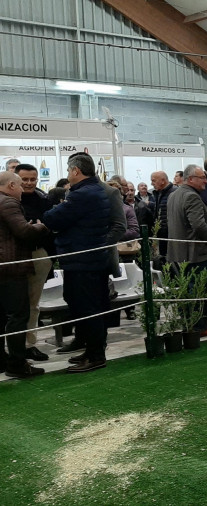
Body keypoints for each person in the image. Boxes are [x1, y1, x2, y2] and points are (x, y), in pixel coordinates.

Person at [42, 153, 112, 373]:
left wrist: (56, 209)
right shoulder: (95, 190)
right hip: (88, 259)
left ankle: (96, 356)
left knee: (88, 307)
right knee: (87, 305)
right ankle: (92, 351)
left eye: (68, 170)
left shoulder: (82, 194)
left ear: (75, 171)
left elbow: (52, 218)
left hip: (83, 260)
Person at [0, 171, 51, 378]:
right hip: (12, 267)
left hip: (4, 266)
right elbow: (23, 231)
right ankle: (17, 363)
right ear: (11, 186)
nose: (23, 188)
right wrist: (40, 226)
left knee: (3, 316)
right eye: (20, 185)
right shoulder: (9, 203)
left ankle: (5, 360)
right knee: (18, 316)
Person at [166, 164, 207, 332]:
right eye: (202, 178)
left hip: (178, 253)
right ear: (191, 179)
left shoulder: (174, 195)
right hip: (195, 254)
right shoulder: (191, 196)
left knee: (185, 291)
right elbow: (198, 225)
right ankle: (199, 327)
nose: (206, 181)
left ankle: (190, 325)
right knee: (197, 291)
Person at [14, 164, 54, 362]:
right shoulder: (9, 200)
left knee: (33, 304)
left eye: (33, 179)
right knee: (11, 307)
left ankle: (30, 345)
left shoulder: (43, 199)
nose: (29, 183)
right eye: (25, 179)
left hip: (39, 256)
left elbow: (50, 226)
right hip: (11, 259)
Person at [150, 171, 176, 264]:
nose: (151, 183)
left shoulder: (174, 192)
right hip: (162, 235)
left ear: (162, 180)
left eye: (153, 181)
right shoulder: (158, 193)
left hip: (172, 235)